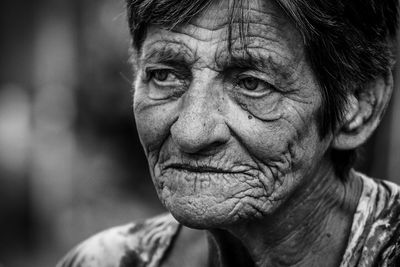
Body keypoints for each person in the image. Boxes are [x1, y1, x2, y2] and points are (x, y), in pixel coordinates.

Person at [57, 0, 400, 266]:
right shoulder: (105, 261)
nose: (191, 133)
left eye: (252, 84)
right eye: (164, 75)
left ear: (357, 106)